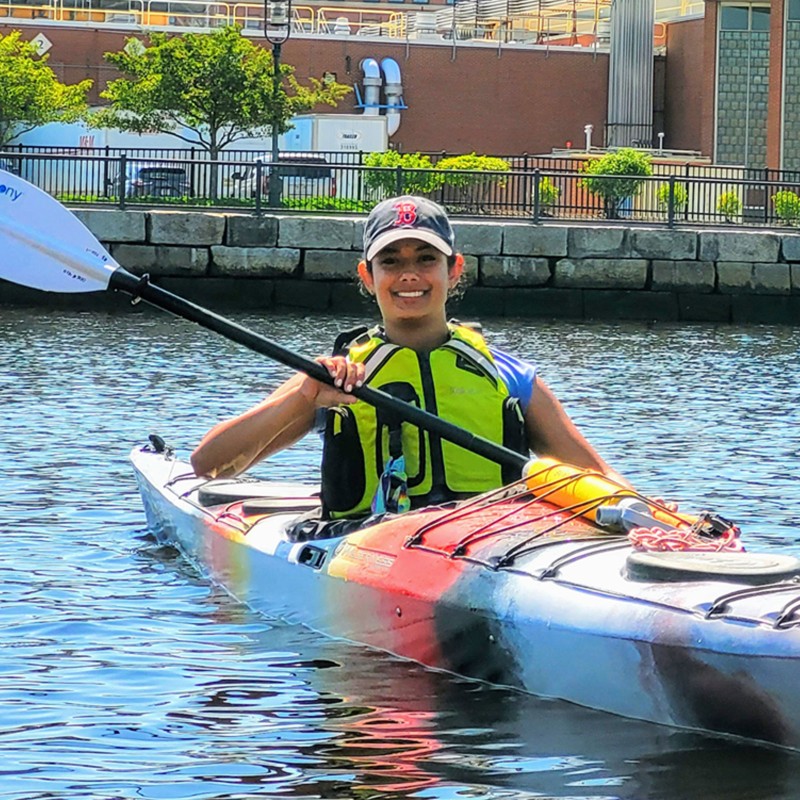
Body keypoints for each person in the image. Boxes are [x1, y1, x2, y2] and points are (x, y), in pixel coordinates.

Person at [191, 195, 627, 519]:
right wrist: (304, 398)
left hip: (493, 546)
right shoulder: (334, 376)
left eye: (426, 258)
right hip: (373, 550)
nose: (409, 275)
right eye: (391, 261)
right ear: (368, 275)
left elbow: (597, 475)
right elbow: (209, 466)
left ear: (453, 269)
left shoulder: (509, 375)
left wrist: (661, 522)